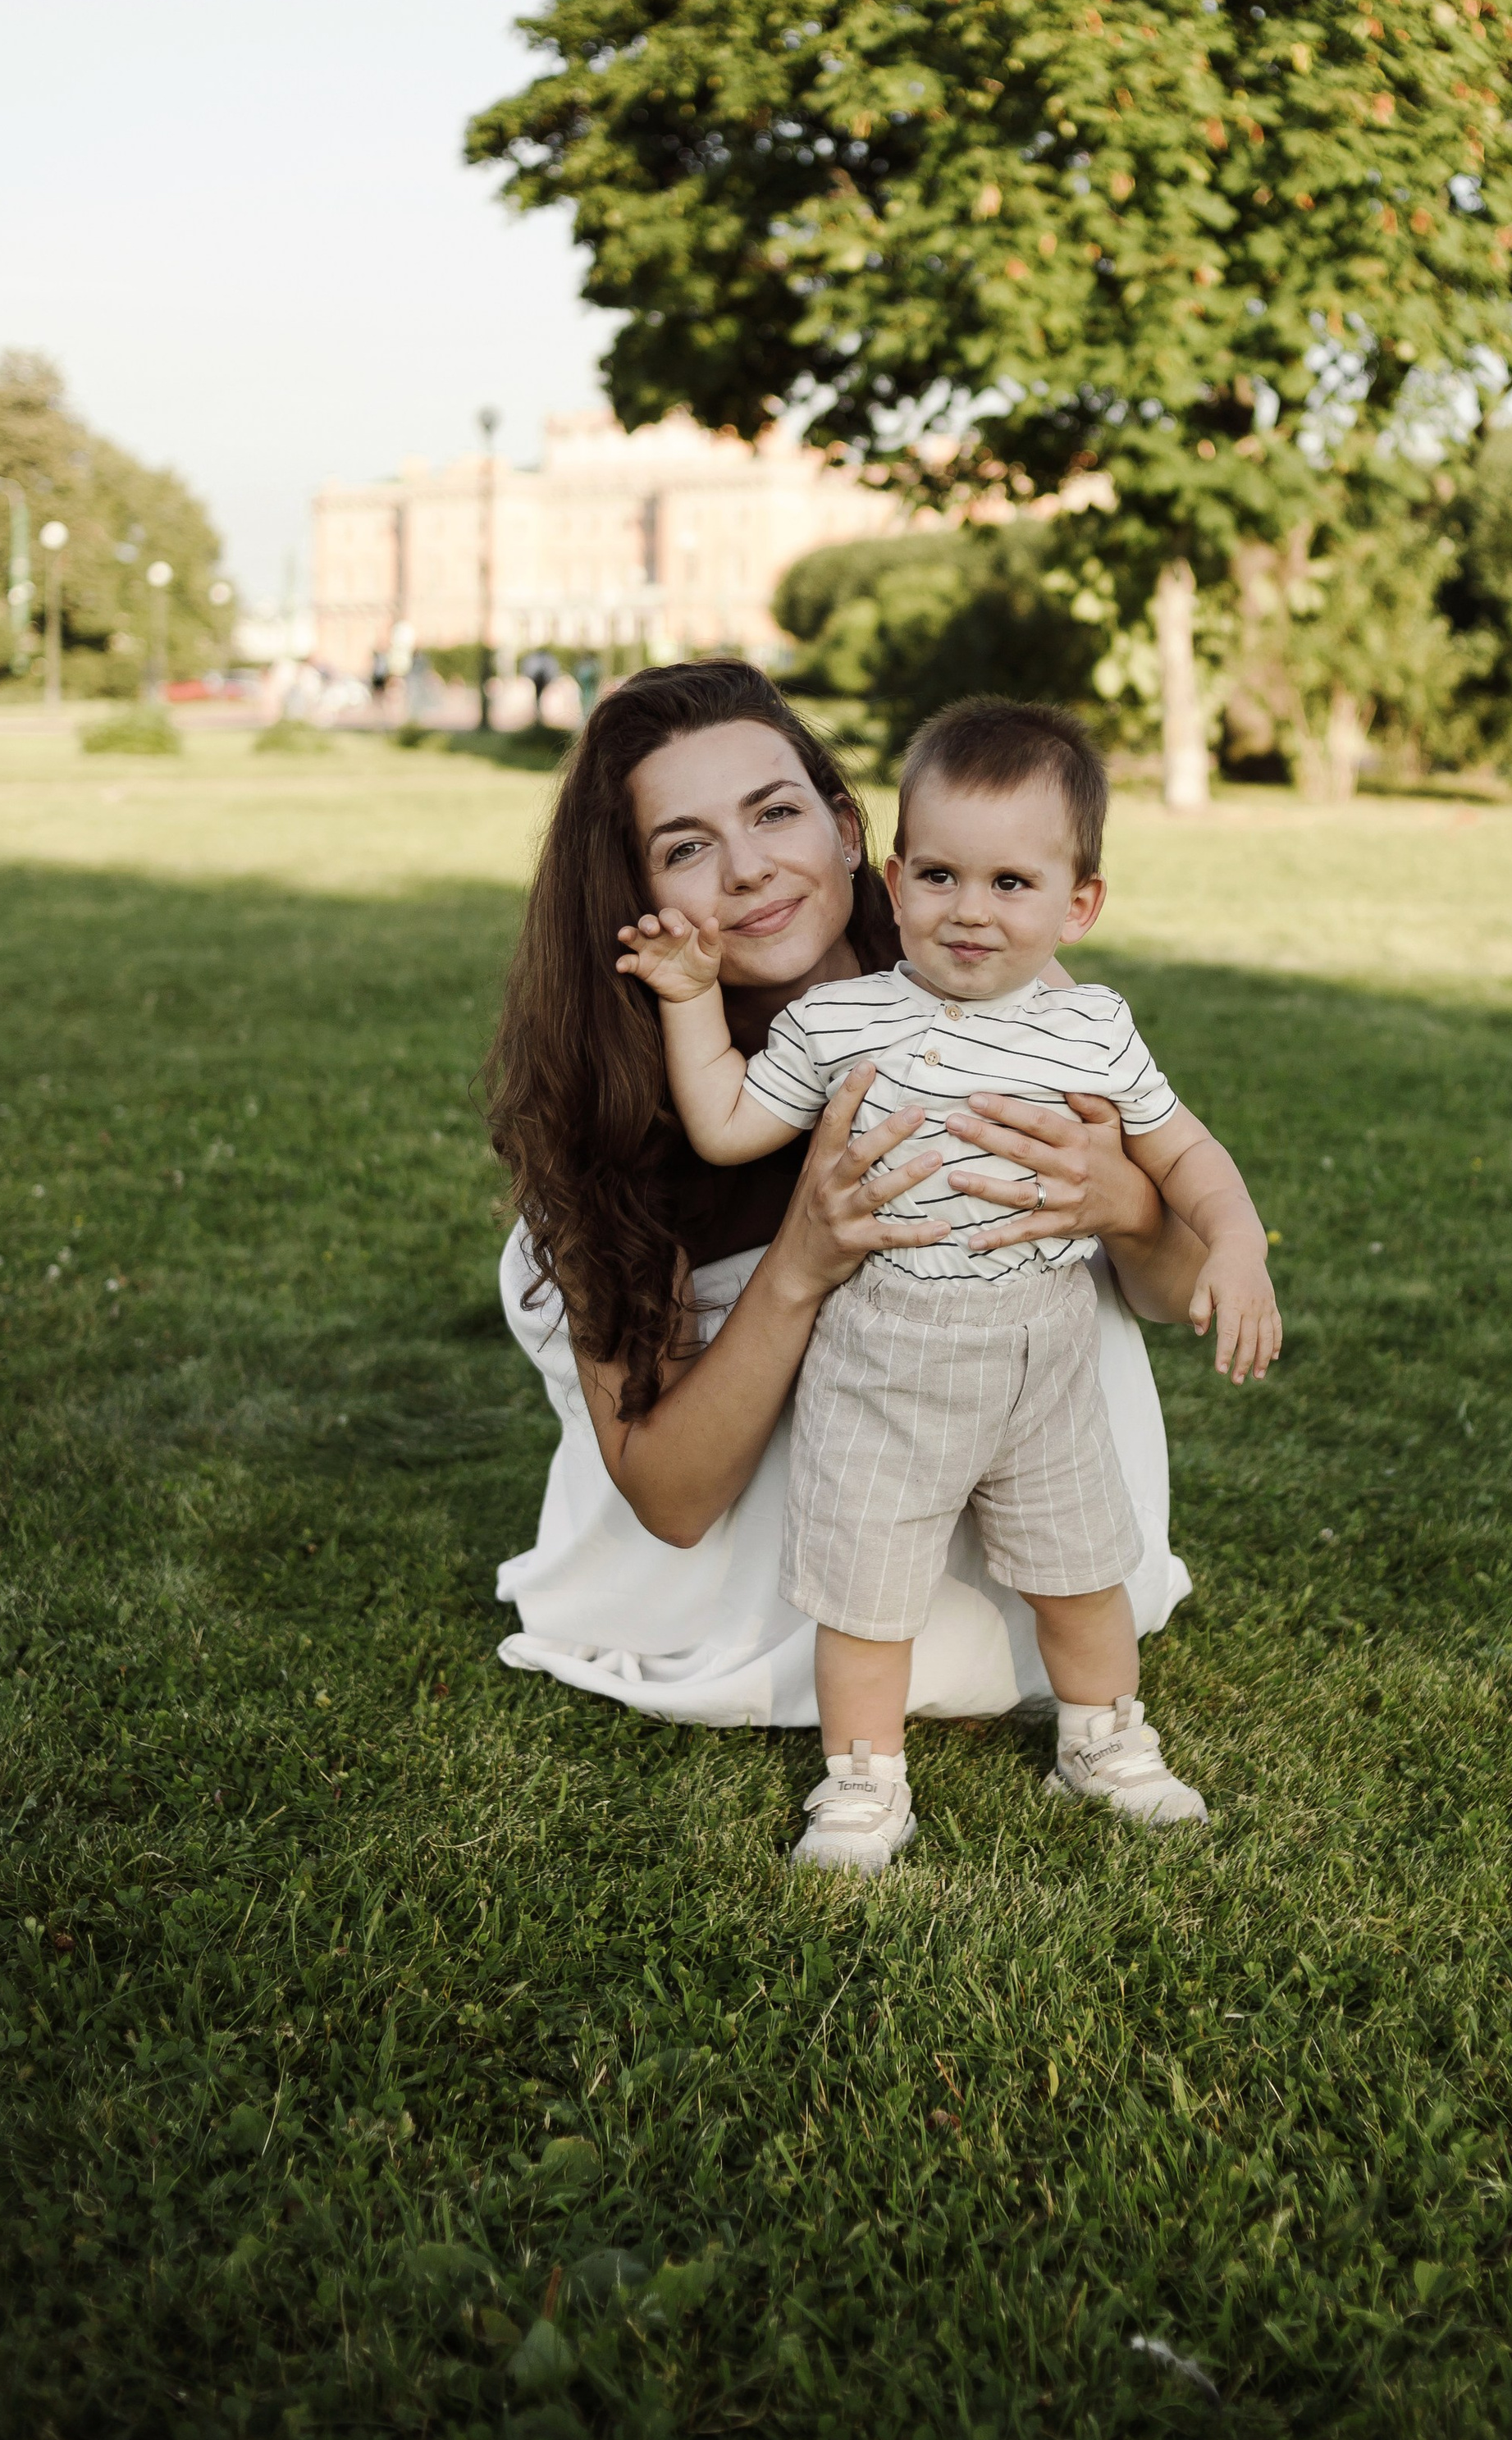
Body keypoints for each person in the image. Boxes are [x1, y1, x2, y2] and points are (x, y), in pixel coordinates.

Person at [486, 660, 1213, 1794]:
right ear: (635, 890)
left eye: (775, 813)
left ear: (842, 828)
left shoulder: (978, 968)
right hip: (767, 1587)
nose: (748, 870)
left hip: (1029, 1521)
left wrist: (1120, 1201)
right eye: (685, 847)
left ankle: (1075, 1694)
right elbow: (673, 1499)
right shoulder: (624, 1119)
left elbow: (1167, 1293)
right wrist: (803, 1263)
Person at [619, 698, 1278, 1871]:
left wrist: (1237, 1241)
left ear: (1080, 905)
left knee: (1084, 1572)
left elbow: (1185, 1150)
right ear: (894, 878)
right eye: (938, 876)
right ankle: (864, 1785)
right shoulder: (842, 1020)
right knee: (864, 1593)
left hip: (1044, 1354)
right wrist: (687, 1000)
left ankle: (1106, 1738)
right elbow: (723, 1124)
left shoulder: (1091, 1027)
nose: (970, 911)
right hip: (887, 1356)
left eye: (1012, 885)